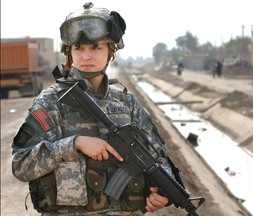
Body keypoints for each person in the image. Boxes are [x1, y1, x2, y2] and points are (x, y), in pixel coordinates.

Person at [11, 2, 174, 215]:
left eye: (96, 47)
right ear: (69, 52)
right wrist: (73, 144)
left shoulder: (127, 103)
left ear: (111, 51)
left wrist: (162, 194)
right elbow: (20, 164)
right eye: (79, 48)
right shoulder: (51, 102)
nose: (86, 56)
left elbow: (159, 157)